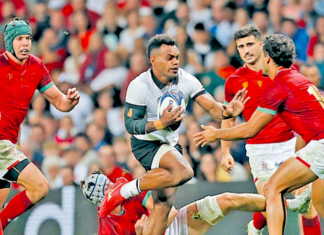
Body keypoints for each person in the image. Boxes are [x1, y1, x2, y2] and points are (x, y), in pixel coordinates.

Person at [104, 34, 249, 234]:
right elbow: (130, 124)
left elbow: (214, 109)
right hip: (147, 144)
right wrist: (160, 123)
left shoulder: (187, 79)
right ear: (153, 61)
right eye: (170, 57)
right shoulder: (139, 85)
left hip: (170, 143)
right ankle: (122, 191)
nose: (176, 62)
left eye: (177, 56)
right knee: (184, 172)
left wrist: (227, 111)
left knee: (163, 205)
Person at [193, 34, 324, 235]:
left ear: (268, 58)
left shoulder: (279, 86)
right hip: (310, 146)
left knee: (273, 190)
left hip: (318, 146)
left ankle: (266, 223)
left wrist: (216, 134)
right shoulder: (298, 78)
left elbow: (250, 129)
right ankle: (293, 203)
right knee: (280, 190)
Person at [0, 18, 80, 233]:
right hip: (1, 146)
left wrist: (70, 102)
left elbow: (60, 102)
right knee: (40, 186)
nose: (25, 43)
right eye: (19, 39)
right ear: (9, 43)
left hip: (8, 143)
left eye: (27, 38)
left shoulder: (36, 66)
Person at [80, 171, 311, 235]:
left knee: (228, 200)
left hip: (174, 225)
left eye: (110, 183)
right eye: (107, 188)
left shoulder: (128, 189)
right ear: (101, 201)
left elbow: (167, 213)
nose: (113, 188)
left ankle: (291, 205)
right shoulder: (107, 229)